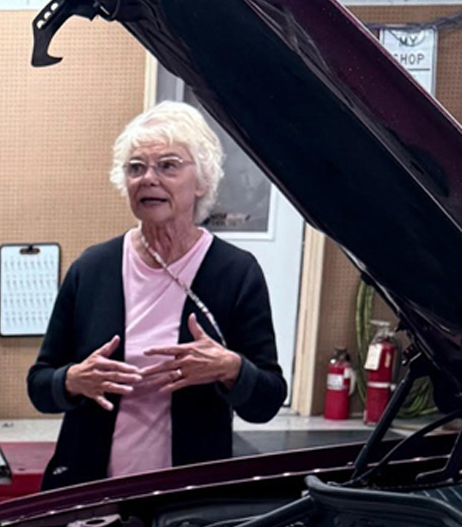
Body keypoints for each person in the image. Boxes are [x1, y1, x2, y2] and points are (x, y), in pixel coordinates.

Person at [27, 101, 286, 491]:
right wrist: (74, 380)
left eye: (168, 165)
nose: (149, 178)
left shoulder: (235, 272)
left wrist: (230, 368)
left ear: (201, 181)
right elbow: (39, 386)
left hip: (189, 500)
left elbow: (266, 401)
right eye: (136, 167)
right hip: (90, 494)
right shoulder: (93, 268)